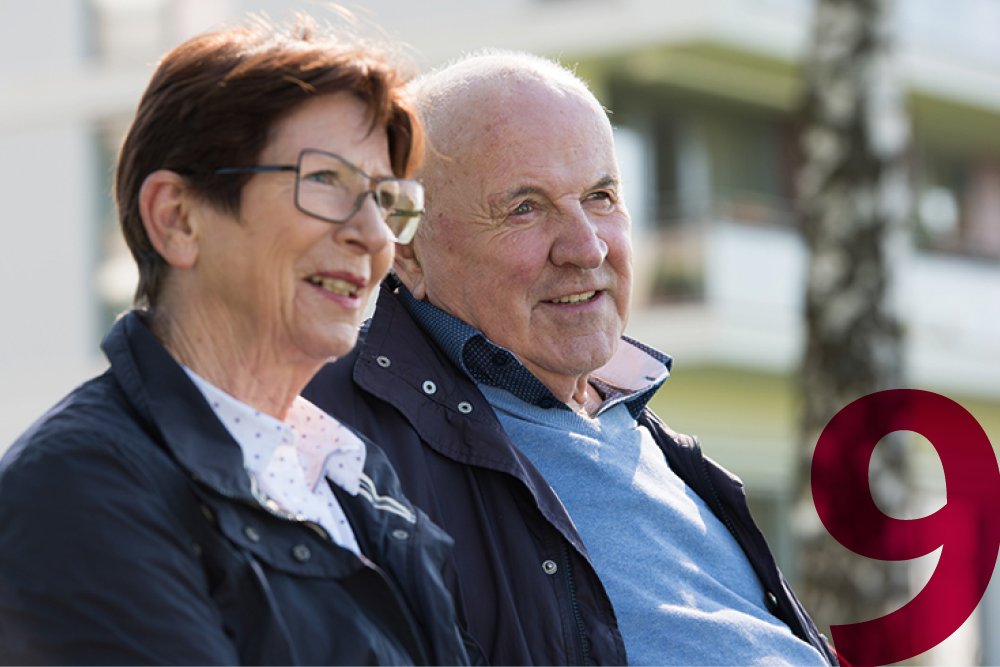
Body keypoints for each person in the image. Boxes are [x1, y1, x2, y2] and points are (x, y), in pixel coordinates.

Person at [303, 50, 838, 666]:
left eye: (601, 196)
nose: (586, 248)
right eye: (524, 208)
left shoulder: (652, 438)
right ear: (408, 252)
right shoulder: (330, 431)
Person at [0, 16, 471, 666]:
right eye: (325, 181)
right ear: (178, 219)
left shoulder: (350, 473)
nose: (373, 235)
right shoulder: (78, 491)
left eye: (387, 199)